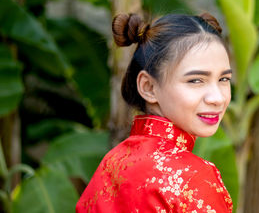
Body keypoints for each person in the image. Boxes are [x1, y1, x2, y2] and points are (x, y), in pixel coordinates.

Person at [76, 12, 233, 212]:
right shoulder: (193, 178)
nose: (217, 97)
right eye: (195, 80)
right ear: (148, 87)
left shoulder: (113, 163)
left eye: (224, 79)